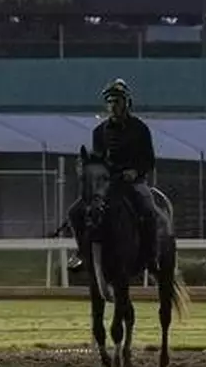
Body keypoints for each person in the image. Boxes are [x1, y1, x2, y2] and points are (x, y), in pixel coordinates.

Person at [65, 78, 159, 275]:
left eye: (117, 101)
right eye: (109, 101)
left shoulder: (140, 128)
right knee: (74, 212)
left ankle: (151, 256)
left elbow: (149, 159)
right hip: (107, 184)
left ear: (126, 103)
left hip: (134, 182)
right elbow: (98, 160)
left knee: (148, 209)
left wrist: (135, 171)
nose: (113, 105)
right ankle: (82, 251)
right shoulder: (99, 132)